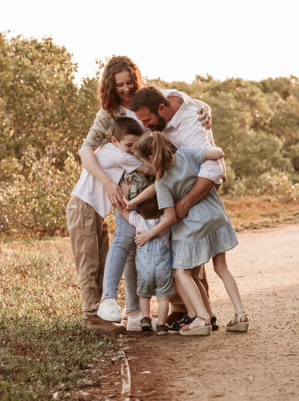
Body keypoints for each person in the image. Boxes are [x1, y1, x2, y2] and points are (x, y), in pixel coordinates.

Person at [77, 56, 212, 331]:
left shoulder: (147, 97)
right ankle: (135, 311)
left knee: (175, 240)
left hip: (162, 180)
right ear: (110, 86)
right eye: (120, 85)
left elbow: (183, 100)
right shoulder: (109, 113)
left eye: (130, 82)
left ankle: (189, 308)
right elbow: (85, 150)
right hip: (135, 186)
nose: (126, 89)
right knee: (132, 245)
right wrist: (107, 183)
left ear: (136, 79)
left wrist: (206, 106)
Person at [130, 132, 249, 336]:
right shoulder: (187, 153)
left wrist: (148, 235)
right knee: (221, 267)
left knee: (180, 272)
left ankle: (201, 319)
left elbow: (170, 218)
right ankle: (241, 315)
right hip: (216, 216)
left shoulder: (163, 182)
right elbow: (218, 152)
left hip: (193, 226)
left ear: (150, 159)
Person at [128, 86, 225, 330]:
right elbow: (179, 97)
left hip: (199, 195)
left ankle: (199, 315)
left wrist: (186, 202)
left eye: (148, 120)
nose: (147, 126)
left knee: (183, 266)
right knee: (185, 264)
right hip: (180, 192)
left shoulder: (190, 126)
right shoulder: (162, 97)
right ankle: (202, 315)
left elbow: (215, 170)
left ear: (162, 109)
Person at [66, 117, 145, 333]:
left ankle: (102, 313)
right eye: (129, 145)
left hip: (95, 211)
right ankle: (92, 315)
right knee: (88, 263)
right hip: (83, 209)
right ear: (114, 140)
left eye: (134, 146)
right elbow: (147, 168)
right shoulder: (116, 153)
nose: (131, 150)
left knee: (102, 260)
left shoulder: (116, 151)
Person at [119, 194, 173, 336]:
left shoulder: (139, 220)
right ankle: (161, 325)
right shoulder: (164, 222)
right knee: (163, 298)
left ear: (140, 210)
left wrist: (123, 196)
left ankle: (146, 318)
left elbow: (123, 211)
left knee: (144, 295)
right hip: (163, 270)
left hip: (144, 271)